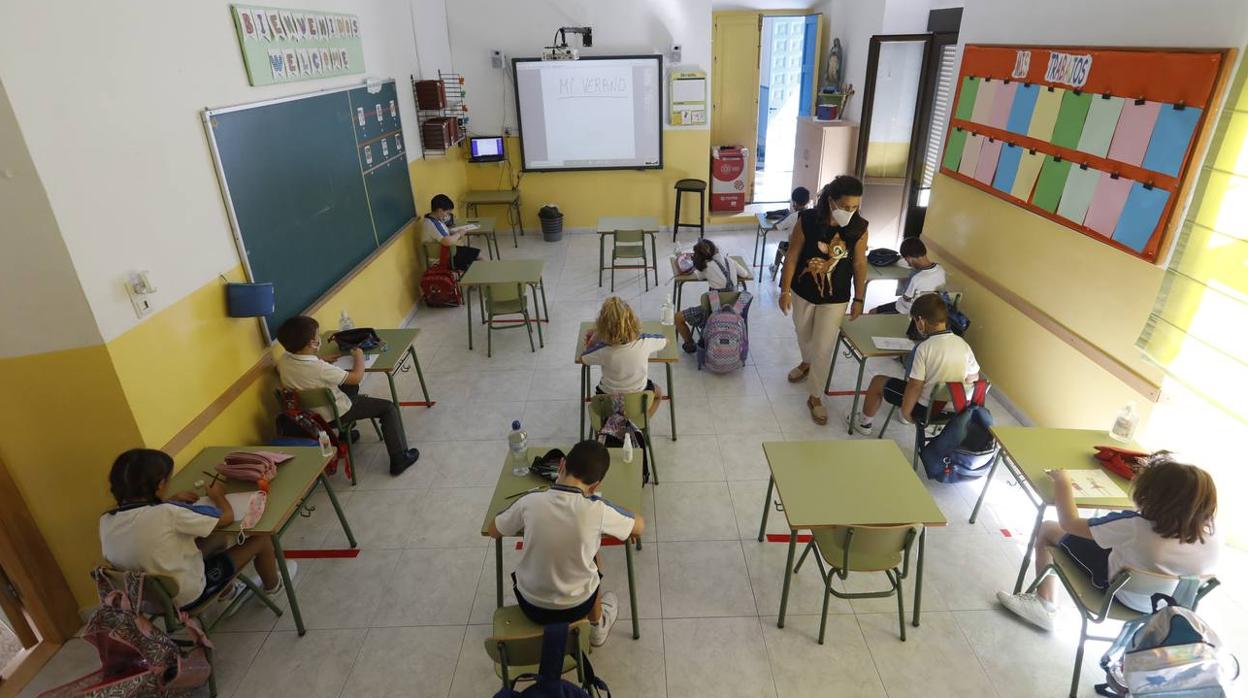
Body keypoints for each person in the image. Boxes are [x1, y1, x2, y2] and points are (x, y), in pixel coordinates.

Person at [998, 454, 1219, 630]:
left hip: (1120, 592)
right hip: (1169, 604)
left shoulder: (1134, 525)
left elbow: (1068, 522)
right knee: (1112, 541)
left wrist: (1062, 481)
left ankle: (1044, 604)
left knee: (1047, 528)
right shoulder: (1215, 532)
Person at [488, 441, 644, 646]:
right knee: (593, 558)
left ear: (561, 465)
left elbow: (493, 530)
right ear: (596, 486)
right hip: (577, 608)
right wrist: (611, 511)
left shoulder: (530, 502)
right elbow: (639, 526)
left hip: (530, 606)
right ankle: (596, 627)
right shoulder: (597, 510)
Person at [99, 449, 289, 610]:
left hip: (147, 600)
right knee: (261, 539)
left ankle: (228, 591)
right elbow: (226, 517)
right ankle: (273, 587)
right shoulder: (168, 513)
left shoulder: (106, 520)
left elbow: (147, 520)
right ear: (159, 485)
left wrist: (168, 502)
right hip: (184, 597)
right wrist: (218, 496)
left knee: (216, 540)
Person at [275, 315, 419, 476]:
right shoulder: (321, 369)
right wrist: (358, 357)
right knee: (388, 408)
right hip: (333, 414)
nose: (318, 337)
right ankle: (399, 458)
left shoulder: (283, 361)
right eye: (317, 335)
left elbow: (302, 366)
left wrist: (319, 358)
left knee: (350, 387)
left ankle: (345, 434)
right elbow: (356, 376)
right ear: (311, 342)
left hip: (308, 416)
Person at [778, 175, 869, 425]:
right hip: (802, 290)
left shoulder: (859, 227)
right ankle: (806, 362)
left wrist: (859, 298)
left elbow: (860, 263)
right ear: (831, 201)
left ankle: (815, 396)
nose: (850, 212)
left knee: (823, 347)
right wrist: (785, 290)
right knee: (803, 333)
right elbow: (793, 256)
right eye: (845, 206)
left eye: (855, 207)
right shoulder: (807, 220)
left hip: (836, 296)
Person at [848, 293, 978, 434]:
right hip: (955, 410)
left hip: (926, 410)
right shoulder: (963, 344)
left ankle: (863, 424)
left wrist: (906, 413)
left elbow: (914, 387)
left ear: (921, 322)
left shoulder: (924, 348)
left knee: (877, 382)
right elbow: (973, 378)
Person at [581, 297, 667, 418]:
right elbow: (665, 341)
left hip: (607, 400)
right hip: (640, 397)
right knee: (658, 393)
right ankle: (641, 423)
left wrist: (596, 336)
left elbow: (583, 358)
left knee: (600, 402)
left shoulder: (602, 350)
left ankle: (612, 424)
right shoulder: (645, 341)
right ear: (633, 321)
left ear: (602, 327)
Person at [674, 239, 751, 354]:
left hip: (713, 314)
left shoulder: (706, 266)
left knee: (678, 317)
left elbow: (698, 276)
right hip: (733, 314)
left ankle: (690, 344)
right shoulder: (729, 260)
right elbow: (745, 274)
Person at [871, 237, 946, 315]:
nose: (908, 264)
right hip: (930, 309)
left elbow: (904, 303)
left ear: (909, 258)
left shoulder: (917, 279)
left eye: (906, 260)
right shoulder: (941, 269)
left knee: (872, 311)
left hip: (909, 312)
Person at [422, 194, 481, 272]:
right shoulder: (433, 224)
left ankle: (475, 281)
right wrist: (459, 234)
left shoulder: (433, 219)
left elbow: (443, 233)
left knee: (477, 254)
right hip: (444, 258)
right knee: (480, 259)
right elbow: (447, 241)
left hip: (447, 252)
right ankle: (478, 281)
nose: (447, 216)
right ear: (440, 211)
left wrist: (453, 232)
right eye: (446, 213)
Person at [769, 186, 812, 274]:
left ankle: (775, 267)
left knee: (782, 244)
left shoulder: (793, 216)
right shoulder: (812, 214)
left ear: (795, 202)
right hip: (808, 249)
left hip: (794, 248)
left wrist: (785, 217)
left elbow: (776, 227)